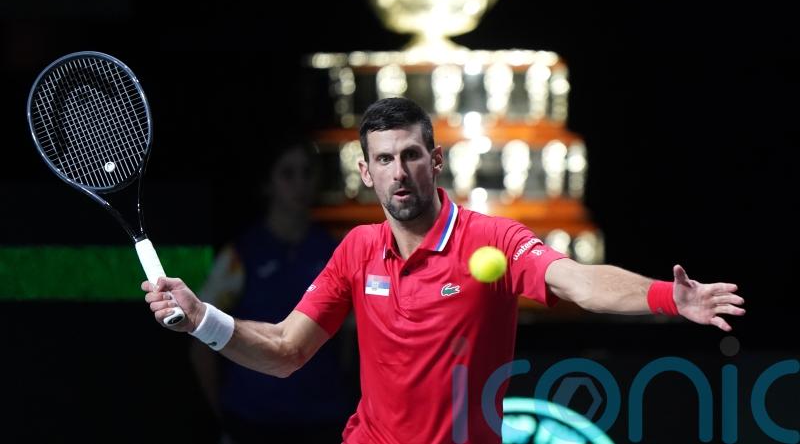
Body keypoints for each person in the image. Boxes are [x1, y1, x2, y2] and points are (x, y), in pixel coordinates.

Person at [144, 97, 745, 444]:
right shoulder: (356, 249)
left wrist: (669, 297)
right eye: (385, 159)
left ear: (434, 160)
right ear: (366, 171)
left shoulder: (492, 240)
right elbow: (283, 349)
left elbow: (579, 283)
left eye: (411, 155)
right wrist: (201, 319)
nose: (399, 172)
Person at [190, 138, 354, 443]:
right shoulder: (240, 255)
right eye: (288, 174)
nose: (300, 183)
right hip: (253, 421)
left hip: (323, 420)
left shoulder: (336, 251)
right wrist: (222, 419)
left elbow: (348, 341)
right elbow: (201, 343)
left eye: (307, 172)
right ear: (268, 184)